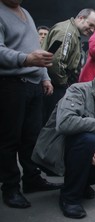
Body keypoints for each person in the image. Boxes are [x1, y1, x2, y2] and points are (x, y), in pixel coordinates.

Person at [32, 60, 95, 219]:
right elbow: (64, 123)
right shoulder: (77, 90)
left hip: (84, 150)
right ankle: (70, 198)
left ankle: (80, 183)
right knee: (89, 139)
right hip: (57, 149)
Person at [0, 0, 62, 209]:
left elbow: (37, 50)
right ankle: (10, 187)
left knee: (32, 137)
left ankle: (32, 178)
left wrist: (45, 76)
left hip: (35, 85)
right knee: (10, 139)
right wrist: (26, 59)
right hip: (11, 84)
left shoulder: (25, 12)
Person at [41, 8, 95, 124]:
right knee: (52, 125)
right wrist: (65, 85)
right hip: (55, 86)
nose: (92, 30)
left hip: (56, 85)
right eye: (90, 24)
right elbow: (56, 63)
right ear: (81, 18)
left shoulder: (73, 33)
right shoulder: (67, 32)